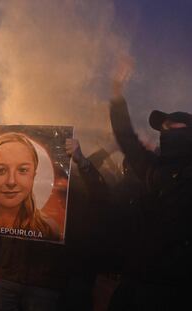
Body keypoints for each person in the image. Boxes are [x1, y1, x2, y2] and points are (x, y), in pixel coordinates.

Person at [0, 138, 110, 311]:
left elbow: (100, 195)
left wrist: (82, 161)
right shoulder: (16, 192)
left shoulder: (72, 190)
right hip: (7, 276)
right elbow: (0, 227)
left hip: (44, 282)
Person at [107, 58, 192, 310]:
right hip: (139, 278)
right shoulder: (153, 169)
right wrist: (116, 95)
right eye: (162, 126)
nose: (164, 129)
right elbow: (126, 138)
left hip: (177, 287)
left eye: (170, 124)